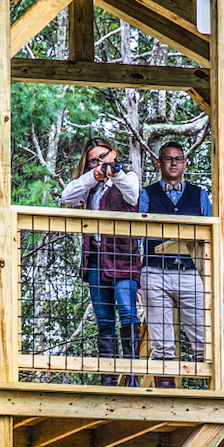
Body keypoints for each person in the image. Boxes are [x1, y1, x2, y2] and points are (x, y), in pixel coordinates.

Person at [58, 138, 140, 385]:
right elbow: (66, 196)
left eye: (103, 156)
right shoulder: (90, 186)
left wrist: (114, 173)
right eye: (94, 159)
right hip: (95, 258)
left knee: (128, 314)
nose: (101, 162)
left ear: (113, 153)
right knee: (104, 320)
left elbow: (132, 194)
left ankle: (132, 375)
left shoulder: (129, 177)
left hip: (123, 257)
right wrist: (93, 175)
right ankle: (108, 378)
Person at [137, 141, 211, 390]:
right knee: (162, 343)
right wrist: (137, 274)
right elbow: (138, 235)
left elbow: (210, 234)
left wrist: (210, 273)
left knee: (204, 338)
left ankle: (212, 393)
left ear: (185, 163)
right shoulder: (147, 195)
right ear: (159, 163)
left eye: (178, 159)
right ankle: (166, 395)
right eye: (168, 159)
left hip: (191, 273)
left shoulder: (199, 194)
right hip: (154, 272)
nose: (173, 163)